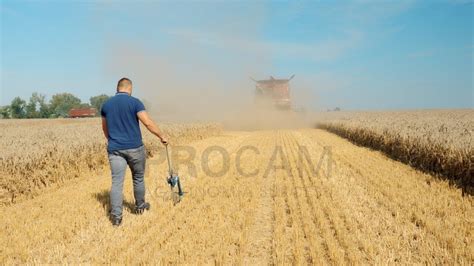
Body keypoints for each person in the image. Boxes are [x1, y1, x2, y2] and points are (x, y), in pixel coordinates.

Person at [101, 77, 168, 226]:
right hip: (135, 148)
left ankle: (116, 217)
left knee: (117, 183)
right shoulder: (135, 102)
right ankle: (139, 206)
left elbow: (105, 128)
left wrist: (112, 141)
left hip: (115, 149)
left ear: (117, 88)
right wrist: (161, 136)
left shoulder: (106, 105)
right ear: (129, 88)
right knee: (138, 177)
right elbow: (147, 123)